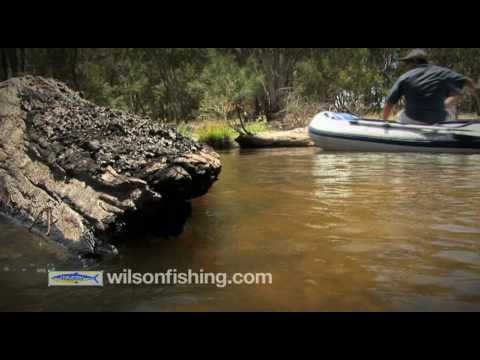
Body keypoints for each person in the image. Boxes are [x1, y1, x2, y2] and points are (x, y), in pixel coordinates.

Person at [383, 49, 477, 125]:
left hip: (412, 120)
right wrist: (474, 91)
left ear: (415, 61)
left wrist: (385, 122)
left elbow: (389, 103)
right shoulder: (442, 73)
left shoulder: (404, 77)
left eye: (408, 62)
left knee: (400, 114)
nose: (407, 66)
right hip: (439, 120)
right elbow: (468, 81)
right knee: (451, 107)